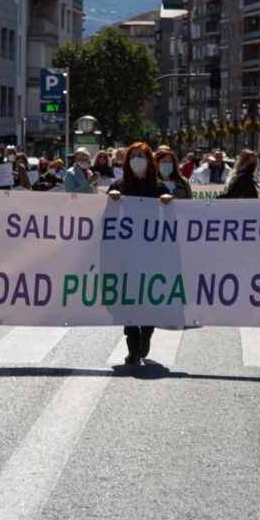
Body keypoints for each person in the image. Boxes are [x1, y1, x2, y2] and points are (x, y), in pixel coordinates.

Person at [106, 143, 174, 365]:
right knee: (126, 299)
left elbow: (172, 211)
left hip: (151, 254)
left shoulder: (158, 186)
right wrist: (112, 197)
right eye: (133, 156)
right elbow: (106, 214)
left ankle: (146, 333)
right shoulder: (119, 185)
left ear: (148, 160)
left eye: (141, 156)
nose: (137, 159)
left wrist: (167, 200)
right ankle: (133, 345)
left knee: (147, 296)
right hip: (125, 254)